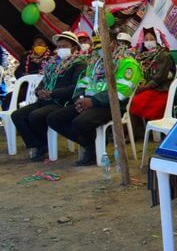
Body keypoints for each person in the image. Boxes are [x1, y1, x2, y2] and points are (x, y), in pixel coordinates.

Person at [47, 36, 143, 166]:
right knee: (54, 118)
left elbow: (121, 91)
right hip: (88, 102)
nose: (98, 50)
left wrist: (93, 101)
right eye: (96, 47)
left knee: (79, 123)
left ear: (113, 43)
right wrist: (80, 99)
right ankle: (92, 145)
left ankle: (92, 152)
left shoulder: (127, 62)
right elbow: (83, 82)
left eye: (101, 46)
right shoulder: (96, 62)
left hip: (110, 105)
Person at [10, 31, 87, 161]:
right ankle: (38, 145)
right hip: (45, 100)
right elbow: (43, 82)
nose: (61, 49)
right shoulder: (53, 64)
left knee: (36, 116)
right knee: (17, 115)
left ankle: (44, 147)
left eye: (64, 46)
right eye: (59, 46)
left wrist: (52, 93)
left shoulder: (80, 64)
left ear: (73, 48)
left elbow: (74, 88)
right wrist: (39, 91)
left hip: (61, 102)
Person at [128, 27, 176, 121]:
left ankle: (137, 132)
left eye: (151, 39)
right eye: (146, 40)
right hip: (145, 87)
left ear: (157, 40)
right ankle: (133, 131)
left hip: (160, 89)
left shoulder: (164, 55)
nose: (148, 42)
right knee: (126, 98)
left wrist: (145, 87)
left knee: (135, 101)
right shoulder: (142, 55)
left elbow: (160, 76)